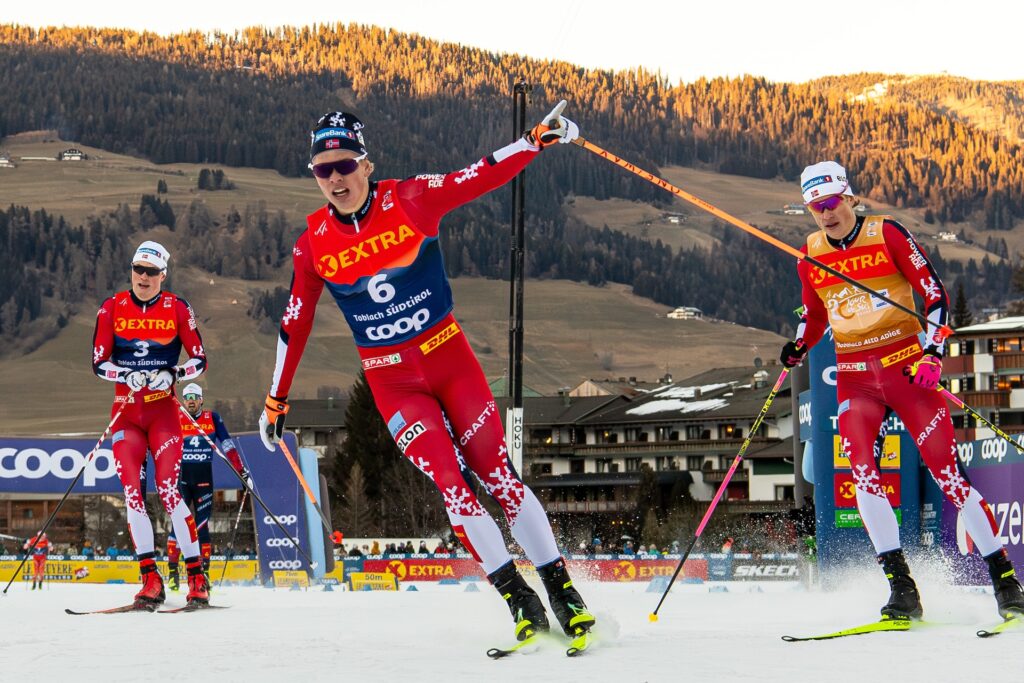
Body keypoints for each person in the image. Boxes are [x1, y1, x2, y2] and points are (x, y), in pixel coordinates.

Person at [257, 104, 595, 643]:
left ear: (366, 165)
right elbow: (293, 324)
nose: (335, 179)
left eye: (344, 165)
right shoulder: (313, 243)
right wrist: (275, 400)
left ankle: (563, 592)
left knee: (497, 475)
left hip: (449, 359)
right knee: (454, 487)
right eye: (323, 171)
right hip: (393, 383)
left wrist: (535, 140)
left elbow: (478, 174)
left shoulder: (411, 198)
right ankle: (518, 599)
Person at [779, 161, 1024, 621]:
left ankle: (1005, 580)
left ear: (849, 198)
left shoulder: (885, 233)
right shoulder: (809, 254)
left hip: (907, 371)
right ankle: (901, 587)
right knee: (862, 474)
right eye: (816, 208)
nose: (826, 215)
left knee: (947, 474)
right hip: (855, 377)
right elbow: (814, 319)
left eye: (831, 203)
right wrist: (797, 346)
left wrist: (932, 353)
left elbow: (933, 294)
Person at [91, 241, 211, 608]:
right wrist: (126, 373)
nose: (143, 277)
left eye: (151, 271)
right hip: (127, 414)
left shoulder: (177, 308)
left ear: (163, 275)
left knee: (169, 492)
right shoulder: (112, 307)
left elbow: (200, 359)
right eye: (138, 269)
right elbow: (99, 362)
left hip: (162, 414)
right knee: (132, 494)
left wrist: (172, 372)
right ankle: (150, 578)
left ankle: (196, 577)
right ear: (131, 270)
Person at [166, 382, 251, 590]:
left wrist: (241, 470)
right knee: (178, 525)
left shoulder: (212, 418)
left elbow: (227, 444)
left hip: (204, 481)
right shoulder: (176, 417)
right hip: (182, 481)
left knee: (202, 527)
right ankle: (173, 574)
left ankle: (203, 575)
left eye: (195, 397)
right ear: (184, 401)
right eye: (188, 398)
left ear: (201, 399)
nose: (191, 401)